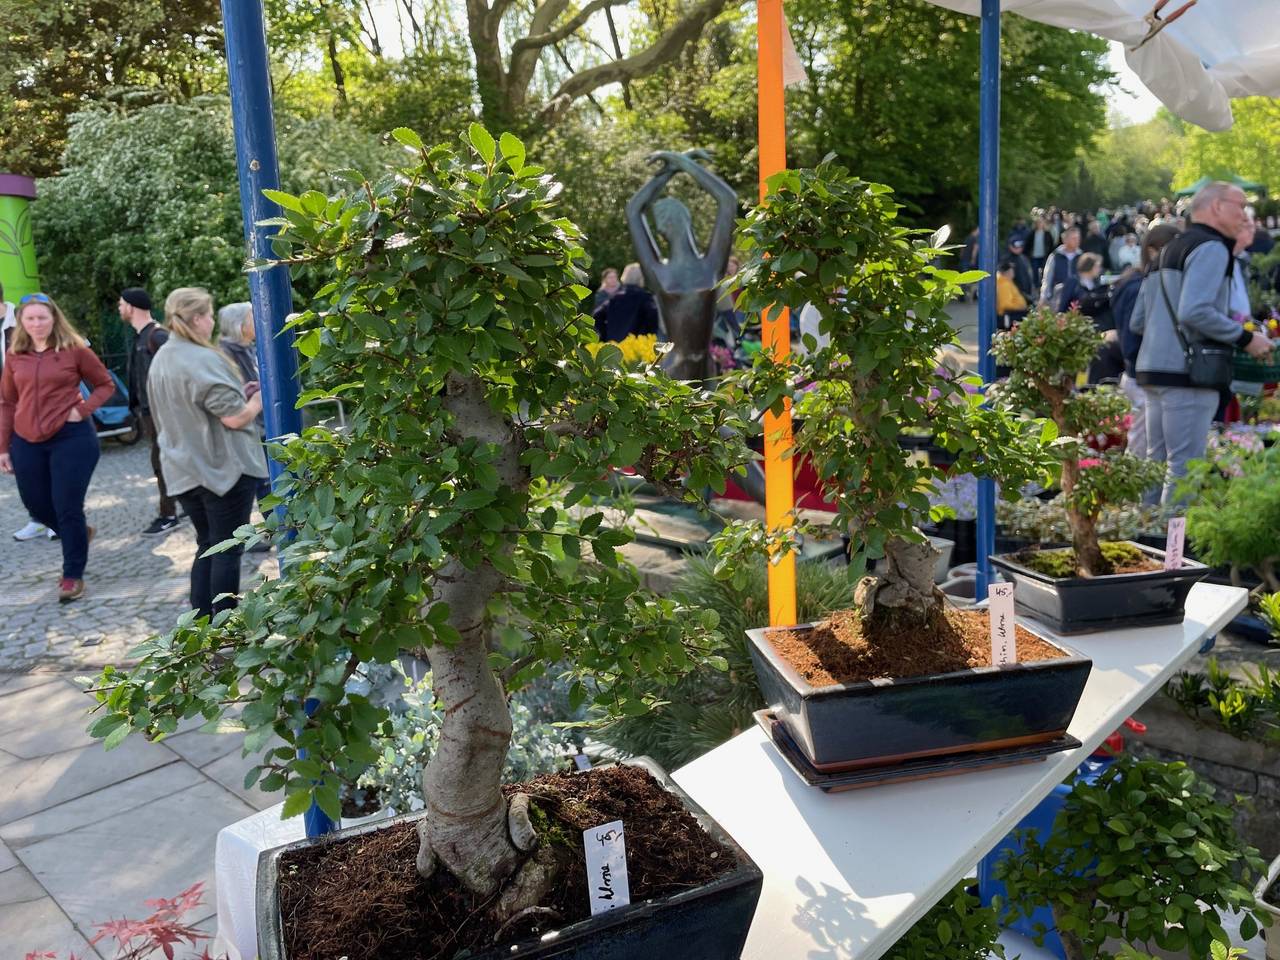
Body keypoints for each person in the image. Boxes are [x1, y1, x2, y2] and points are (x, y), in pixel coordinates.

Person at [1130, 183, 1274, 505]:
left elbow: (1138, 321)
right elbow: (1194, 311)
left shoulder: (1167, 249)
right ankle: (1173, 539)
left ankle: (1145, 532)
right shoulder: (1211, 247)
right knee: (1184, 470)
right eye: (1240, 206)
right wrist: (1246, 338)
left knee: (1156, 464)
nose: (1245, 215)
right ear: (1217, 207)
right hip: (1189, 373)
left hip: (1152, 370)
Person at [147, 288, 268, 619]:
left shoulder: (163, 357)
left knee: (207, 545)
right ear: (198, 318)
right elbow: (234, 417)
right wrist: (256, 401)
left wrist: (238, 395)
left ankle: (200, 625)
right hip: (222, 470)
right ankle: (224, 625)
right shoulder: (202, 357)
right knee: (227, 549)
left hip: (183, 469)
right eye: (210, 315)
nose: (213, 322)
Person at [0, 293, 115, 601]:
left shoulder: (74, 350)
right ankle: (78, 533)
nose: (37, 324)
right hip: (26, 439)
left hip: (71, 437)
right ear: (21, 322)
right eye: (30, 318)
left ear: (54, 319)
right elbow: (7, 402)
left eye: (42, 317)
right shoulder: (15, 354)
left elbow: (105, 384)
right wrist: (3, 448)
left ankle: (72, 575)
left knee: (67, 505)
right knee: (36, 504)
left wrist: (83, 409)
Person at [1111, 224, 1181, 462]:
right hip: (1141, 371)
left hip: (1138, 369)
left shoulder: (1135, 281)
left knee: (1146, 442)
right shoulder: (1140, 285)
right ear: (1153, 251)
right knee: (1144, 445)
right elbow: (1134, 331)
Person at [117, 286, 180, 535]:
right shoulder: (141, 336)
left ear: (131, 307)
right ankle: (179, 507)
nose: (119, 308)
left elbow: (175, 375)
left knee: (163, 461)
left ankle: (169, 515)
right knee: (162, 460)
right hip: (148, 412)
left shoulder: (157, 336)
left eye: (121, 304)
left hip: (161, 413)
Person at [592, 262, 659, 343]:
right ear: (641, 277)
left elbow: (596, 315)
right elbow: (653, 319)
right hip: (636, 344)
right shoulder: (645, 297)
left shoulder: (615, 297)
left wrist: (605, 336)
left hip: (615, 345)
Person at [1038, 226, 1081, 307]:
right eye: (1074, 238)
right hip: (1058, 298)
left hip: (1077, 299)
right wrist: (1043, 297)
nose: (1077, 241)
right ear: (1065, 240)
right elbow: (1047, 278)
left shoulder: (1081, 256)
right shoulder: (1055, 257)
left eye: (1078, 238)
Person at [995, 261, 1028, 326]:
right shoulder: (1004, 284)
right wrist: (1021, 307)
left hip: (1011, 314)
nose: (1013, 271)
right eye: (1011, 269)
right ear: (1007, 272)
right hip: (1009, 316)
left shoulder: (1007, 281)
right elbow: (1005, 304)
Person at [1028, 217, 1054, 286]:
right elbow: (1028, 244)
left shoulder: (1047, 234)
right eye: (1038, 223)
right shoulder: (1032, 233)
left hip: (1044, 256)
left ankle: (1043, 285)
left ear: (1043, 224)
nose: (1039, 224)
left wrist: (1051, 254)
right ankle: (1036, 285)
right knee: (1035, 271)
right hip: (1034, 256)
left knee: (1044, 271)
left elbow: (1051, 245)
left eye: (1041, 223)